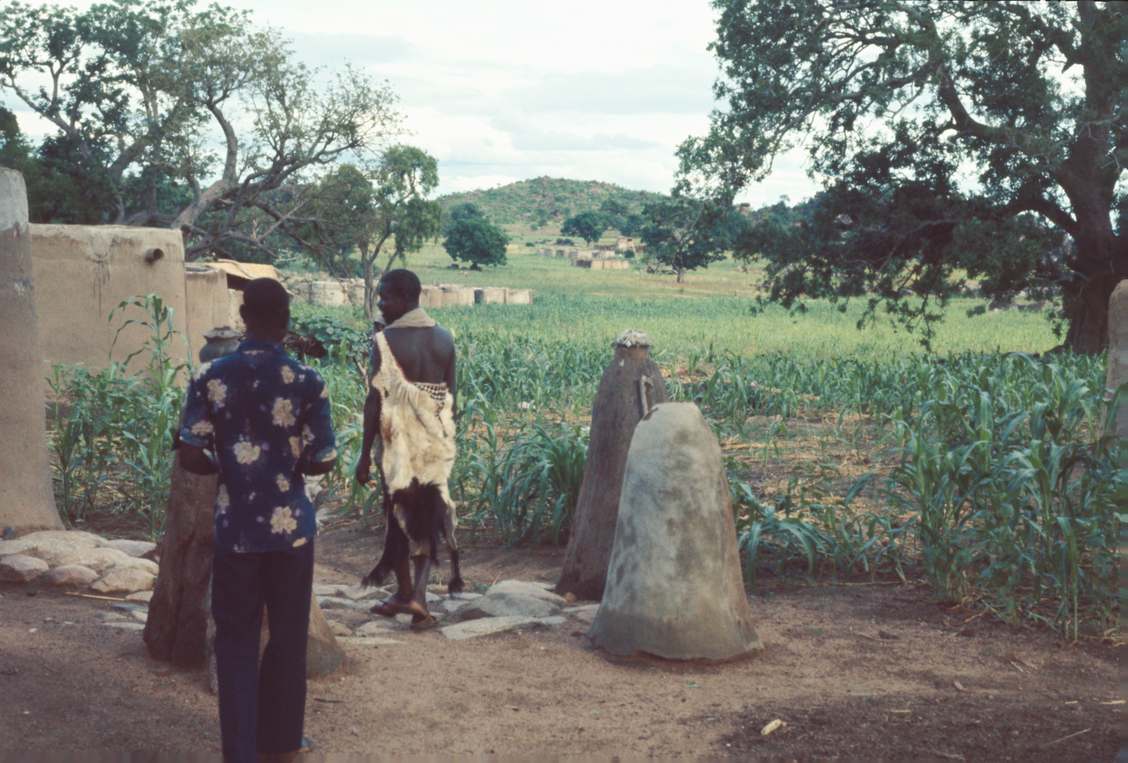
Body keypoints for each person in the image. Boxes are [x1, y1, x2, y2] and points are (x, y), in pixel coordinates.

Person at [177, 278, 337, 763]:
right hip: (291, 533)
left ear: (244, 316)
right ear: (287, 322)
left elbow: (190, 453)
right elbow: (323, 457)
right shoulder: (307, 381)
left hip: (236, 528)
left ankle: (240, 750)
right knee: (288, 636)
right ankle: (284, 741)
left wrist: (228, 466)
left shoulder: (211, 377)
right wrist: (291, 466)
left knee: (235, 638)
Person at [355, 269, 463, 630]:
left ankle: (408, 592)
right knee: (429, 516)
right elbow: (451, 399)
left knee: (398, 517)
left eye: (384, 296)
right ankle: (414, 594)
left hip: (396, 442)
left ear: (403, 298)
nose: (381, 304)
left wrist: (363, 454)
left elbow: (374, 402)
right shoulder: (445, 339)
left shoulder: (385, 341)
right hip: (433, 441)